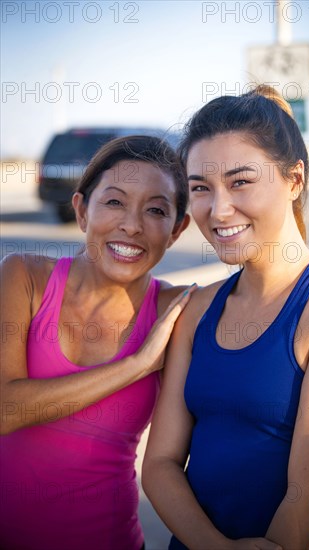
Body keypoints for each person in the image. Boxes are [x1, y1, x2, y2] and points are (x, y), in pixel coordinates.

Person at [142, 86, 309, 550]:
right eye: (201, 187)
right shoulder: (198, 308)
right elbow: (160, 464)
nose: (218, 210)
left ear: (295, 179)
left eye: (241, 181)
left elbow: (305, 500)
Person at [0, 135, 199, 550]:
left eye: (156, 210)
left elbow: (276, 296)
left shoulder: (176, 309)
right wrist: (135, 365)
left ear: (178, 229)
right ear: (81, 210)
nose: (132, 225)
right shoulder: (24, 277)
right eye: (114, 202)